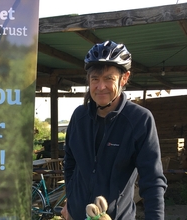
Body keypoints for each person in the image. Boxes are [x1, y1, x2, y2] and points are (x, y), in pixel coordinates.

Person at [62, 40, 167, 219]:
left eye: (108, 79)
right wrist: (70, 201)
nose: (100, 87)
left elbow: (152, 181)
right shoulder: (79, 117)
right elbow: (70, 162)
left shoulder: (139, 119)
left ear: (124, 78)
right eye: (95, 79)